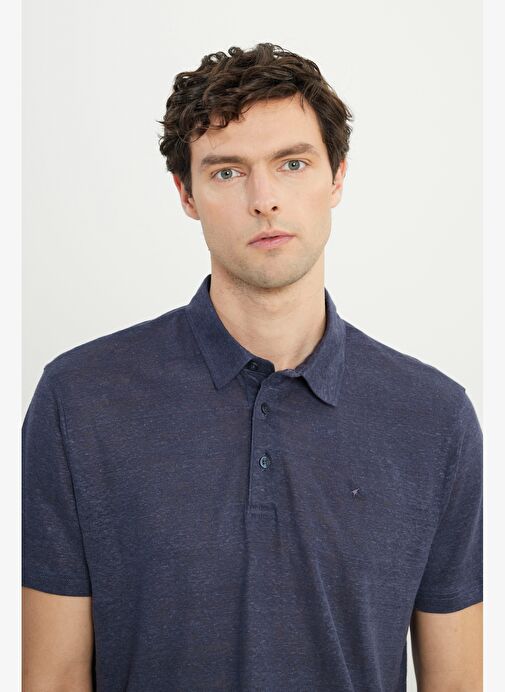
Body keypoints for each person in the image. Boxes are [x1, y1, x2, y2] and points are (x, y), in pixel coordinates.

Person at [22, 43, 483, 691]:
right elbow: (54, 676)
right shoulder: (78, 400)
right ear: (185, 194)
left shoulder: (434, 419)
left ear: (337, 177)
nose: (264, 199)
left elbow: (456, 681)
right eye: (227, 172)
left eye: (292, 164)